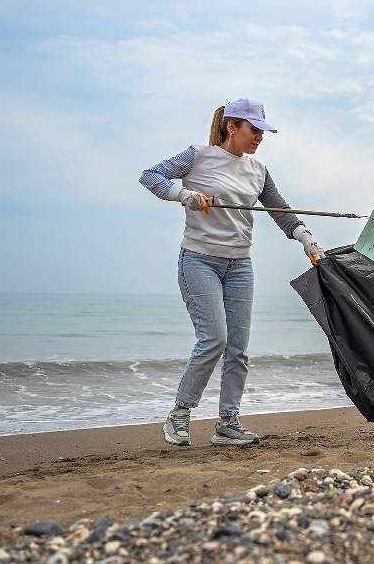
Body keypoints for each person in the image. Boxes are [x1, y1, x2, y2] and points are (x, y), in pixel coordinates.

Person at [139, 98, 326, 446]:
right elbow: (150, 176)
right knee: (214, 339)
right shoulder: (198, 156)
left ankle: (228, 422)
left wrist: (305, 238)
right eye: (254, 130)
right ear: (232, 127)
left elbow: (280, 209)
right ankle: (180, 414)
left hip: (240, 265)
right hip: (199, 260)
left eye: (263, 132)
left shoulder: (259, 170)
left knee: (238, 348)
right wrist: (184, 194)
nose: (260, 137)